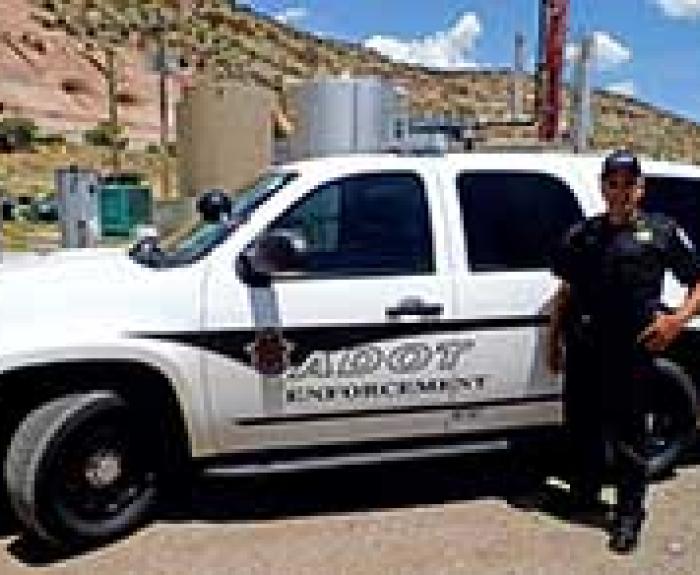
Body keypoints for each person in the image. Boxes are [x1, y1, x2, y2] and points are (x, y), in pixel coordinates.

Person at [546, 149, 700, 553]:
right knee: (583, 426)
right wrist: (554, 340)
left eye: (628, 184)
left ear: (641, 188)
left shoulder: (662, 231)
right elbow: (566, 290)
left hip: (632, 349)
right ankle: (584, 495)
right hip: (585, 346)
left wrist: (676, 321)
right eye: (613, 184)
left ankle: (629, 514)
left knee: (630, 436)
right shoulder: (583, 235)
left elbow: (697, 281)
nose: (620, 192)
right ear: (603, 188)